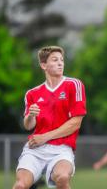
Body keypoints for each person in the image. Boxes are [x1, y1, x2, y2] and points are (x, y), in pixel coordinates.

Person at [13, 46, 87, 189]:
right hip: (35, 149)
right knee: (21, 185)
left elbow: (75, 123)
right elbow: (28, 126)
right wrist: (30, 116)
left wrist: (45, 136)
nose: (60, 63)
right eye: (55, 60)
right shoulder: (32, 93)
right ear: (43, 65)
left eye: (62, 60)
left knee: (62, 177)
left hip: (61, 149)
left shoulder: (74, 84)